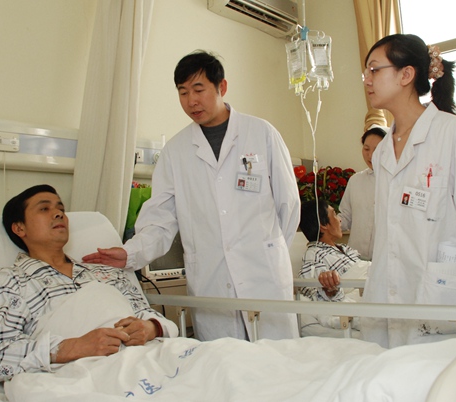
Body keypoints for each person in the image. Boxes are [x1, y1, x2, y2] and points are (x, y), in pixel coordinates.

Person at [83, 50, 301, 341]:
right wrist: (131, 253)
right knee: (222, 363)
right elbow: (160, 220)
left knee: (278, 360)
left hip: (265, 277)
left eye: (199, 90)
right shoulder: (175, 152)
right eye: (183, 92)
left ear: (222, 87)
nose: (191, 101)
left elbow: (289, 204)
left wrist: (269, 252)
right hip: (211, 281)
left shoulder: (261, 133)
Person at [361, 34, 456, 348]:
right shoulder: (383, 152)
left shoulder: (453, 134)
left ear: (406, 74)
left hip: (441, 297)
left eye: (374, 70)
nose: (367, 80)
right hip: (388, 296)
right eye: (366, 73)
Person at [0, 185, 177, 381]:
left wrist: (150, 328)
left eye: (61, 209)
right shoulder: (11, 281)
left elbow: (147, 315)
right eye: (44, 208)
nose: (58, 214)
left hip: (145, 361)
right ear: (19, 228)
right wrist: (73, 347)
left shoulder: (106, 271)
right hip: (81, 378)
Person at [297, 199, 364, 336]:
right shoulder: (314, 254)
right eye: (334, 214)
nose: (339, 219)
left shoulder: (345, 249)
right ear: (323, 225)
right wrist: (329, 290)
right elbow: (313, 291)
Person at [338, 125, 386, 260]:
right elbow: (345, 216)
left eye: (377, 150)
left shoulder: (396, 182)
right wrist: (327, 223)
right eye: (366, 149)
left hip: (383, 259)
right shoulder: (356, 180)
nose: (370, 155)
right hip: (356, 257)